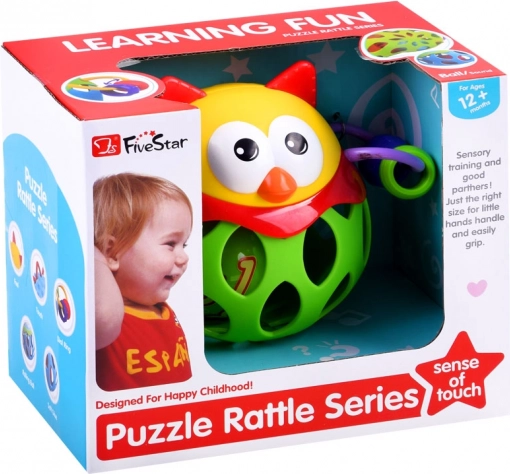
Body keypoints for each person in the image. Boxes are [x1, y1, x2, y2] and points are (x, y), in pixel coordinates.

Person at [94, 173, 192, 391]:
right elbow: (103, 316)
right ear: (112, 251)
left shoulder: (161, 309)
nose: (184, 257)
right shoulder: (104, 320)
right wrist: (95, 258)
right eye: (170, 243)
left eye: (184, 245)